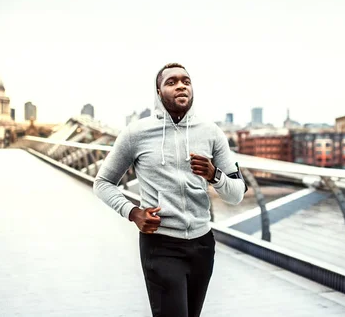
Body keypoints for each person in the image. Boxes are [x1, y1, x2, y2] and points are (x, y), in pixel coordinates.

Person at [93, 63, 247, 317]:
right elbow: (102, 182)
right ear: (158, 91)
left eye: (186, 81)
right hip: (160, 244)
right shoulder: (136, 134)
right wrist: (133, 213)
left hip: (202, 244)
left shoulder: (212, 133)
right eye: (172, 82)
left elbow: (236, 194)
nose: (181, 86)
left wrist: (213, 175)